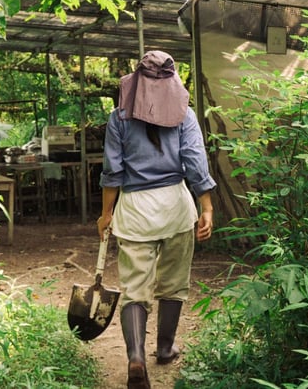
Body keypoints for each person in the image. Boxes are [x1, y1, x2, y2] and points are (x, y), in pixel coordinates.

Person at [97, 50, 216, 389]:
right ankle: (164, 348)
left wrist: (106, 214)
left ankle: (136, 357)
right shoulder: (185, 115)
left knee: (134, 290)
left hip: (134, 209)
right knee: (174, 283)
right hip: (176, 208)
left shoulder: (118, 118)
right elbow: (195, 161)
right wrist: (206, 206)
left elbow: (112, 172)